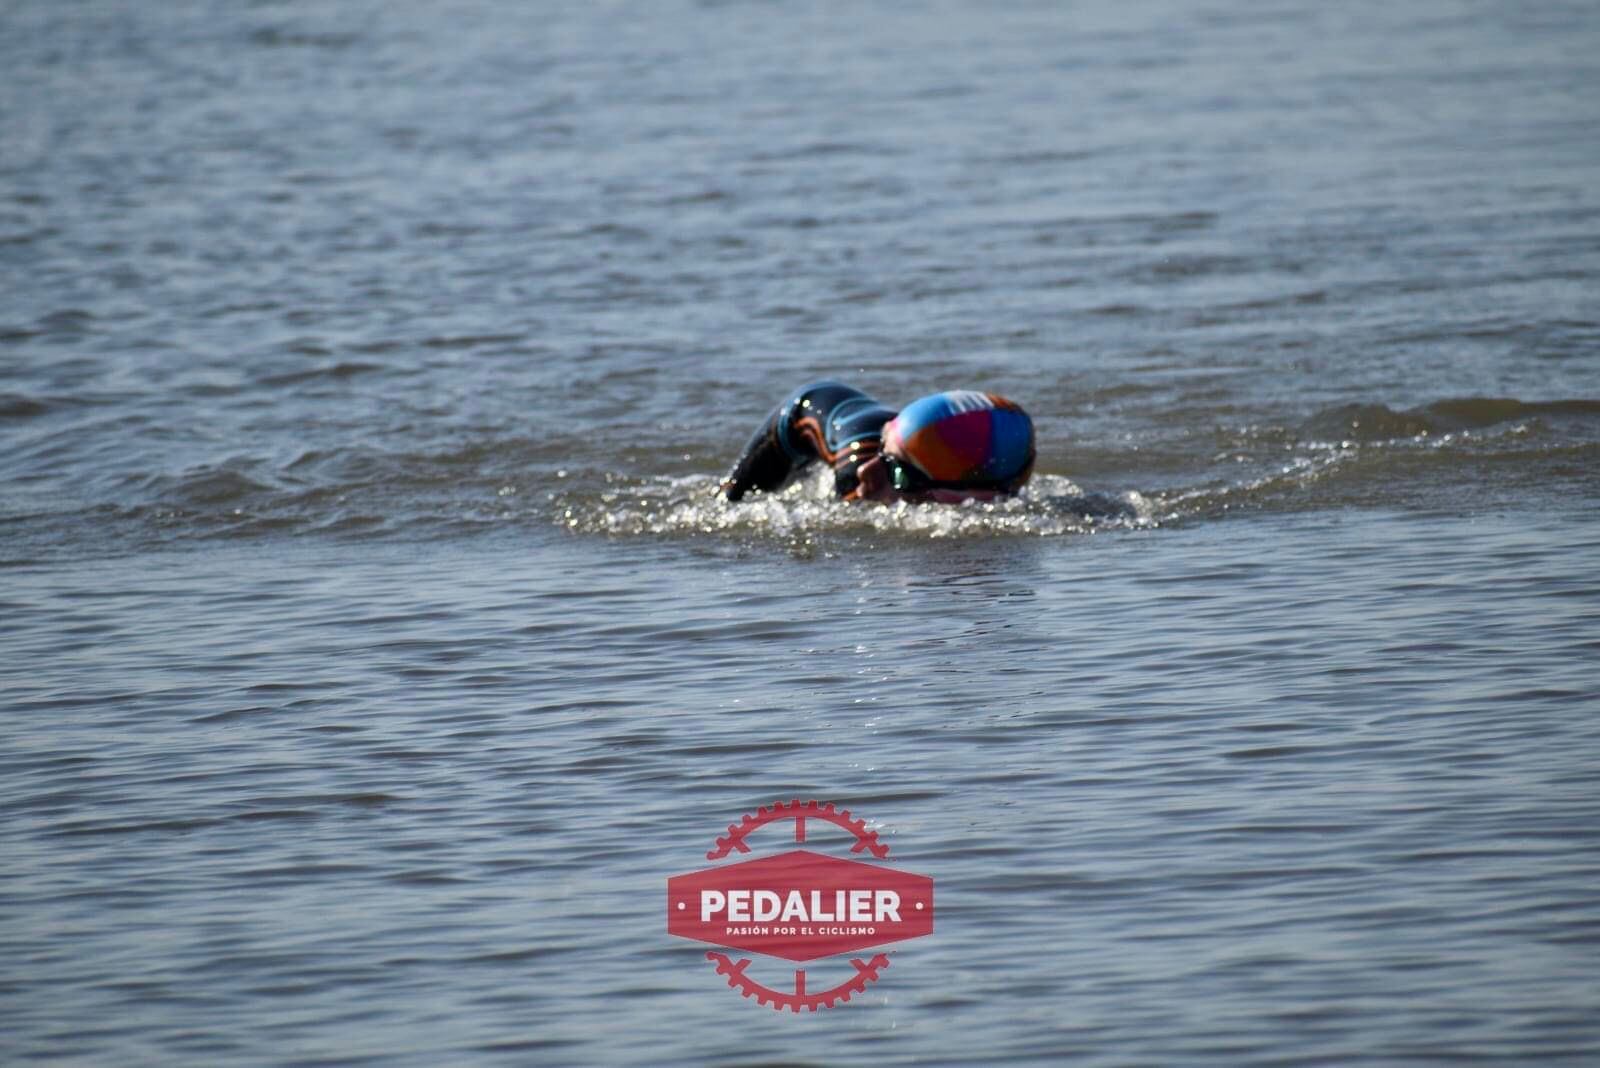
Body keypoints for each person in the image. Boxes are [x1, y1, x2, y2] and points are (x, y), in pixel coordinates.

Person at [721, 380, 1035, 503]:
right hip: (804, 415)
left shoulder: (998, 490)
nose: (866, 472)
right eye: (882, 451)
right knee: (730, 502)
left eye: (899, 472)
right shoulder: (856, 473)